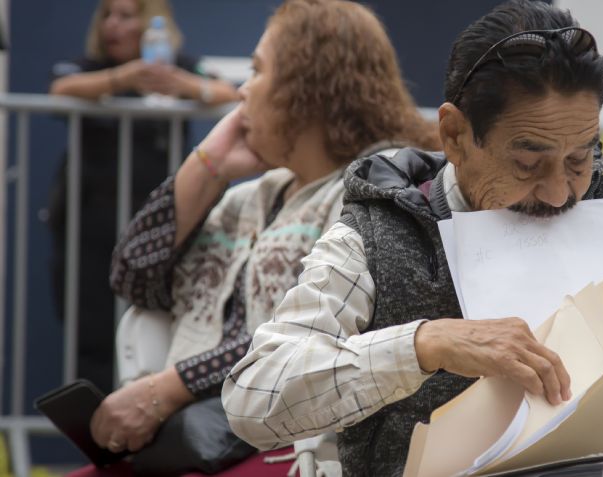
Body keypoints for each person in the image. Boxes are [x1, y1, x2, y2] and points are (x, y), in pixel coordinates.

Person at [221, 1, 603, 475]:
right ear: (455, 135)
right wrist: (423, 345)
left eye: (581, 157)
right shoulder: (375, 234)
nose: (561, 192)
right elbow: (253, 399)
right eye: (528, 161)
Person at [85, 0, 439, 461]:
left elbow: (288, 339)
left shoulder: (367, 194)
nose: (241, 92)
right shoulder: (255, 196)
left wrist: (167, 389)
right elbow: (133, 276)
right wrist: (207, 166)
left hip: (286, 451)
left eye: (256, 72)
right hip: (199, 445)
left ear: (304, 89)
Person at [48, 0, 239, 391]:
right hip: (90, 224)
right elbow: (61, 87)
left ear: (151, 23)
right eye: (107, 16)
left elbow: (228, 92)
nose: (113, 25)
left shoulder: (177, 63)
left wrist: (184, 85)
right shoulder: (92, 66)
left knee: (152, 330)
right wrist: (123, 79)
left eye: (126, 16)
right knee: (90, 330)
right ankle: (94, 437)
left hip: (157, 228)